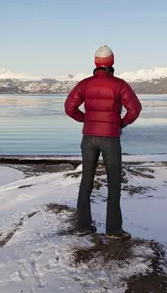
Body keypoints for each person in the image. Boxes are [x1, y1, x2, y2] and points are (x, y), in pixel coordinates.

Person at [64, 45, 142, 240]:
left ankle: (83, 226)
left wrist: (86, 120)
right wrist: (119, 123)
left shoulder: (85, 84)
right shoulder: (120, 85)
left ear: (96, 64)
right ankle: (113, 230)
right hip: (110, 138)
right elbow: (135, 109)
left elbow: (69, 107)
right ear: (111, 63)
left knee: (86, 181)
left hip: (88, 138)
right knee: (114, 183)